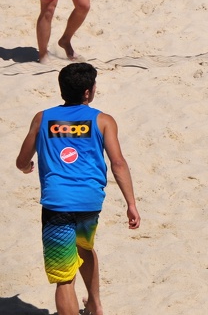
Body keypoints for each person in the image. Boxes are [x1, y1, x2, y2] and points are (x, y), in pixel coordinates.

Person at [15, 62, 140, 315]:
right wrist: (131, 204)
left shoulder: (43, 118)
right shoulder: (104, 120)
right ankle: (95, 304)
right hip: (90, 202)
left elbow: (21, 161)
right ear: (87, 92)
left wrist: (27, 166)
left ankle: (90, 304)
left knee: (64, 277)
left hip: (57, 203)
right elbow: (118, 163)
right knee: (84, 247)